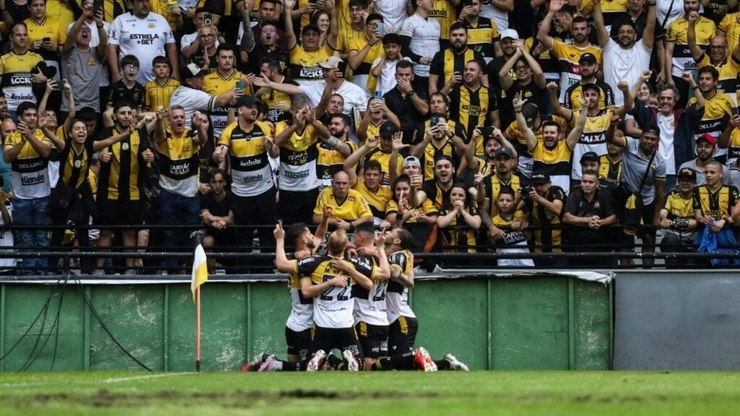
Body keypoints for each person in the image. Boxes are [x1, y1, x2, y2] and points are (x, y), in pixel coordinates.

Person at [242, 209, 331, 372]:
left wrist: (325, 218)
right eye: (309, 234)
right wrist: (279, 239)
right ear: (304, 239)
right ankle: (272, 363)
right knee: (313, 368)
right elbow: (281, 265)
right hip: (305, 324)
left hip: (294, 323)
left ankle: (270, 361)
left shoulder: (307, 255)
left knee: (294, 367)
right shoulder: (302, 260)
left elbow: (320, 235)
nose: (313, 236)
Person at [285, 228, 374, 371]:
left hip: (322, 326)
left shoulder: (316, 264)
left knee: (312, 366)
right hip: (345, 325)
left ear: (327, 245)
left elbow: (306, 291)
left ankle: (322, 358)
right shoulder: (352, 265)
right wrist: (349, 270)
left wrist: (328, 283)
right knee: (360, 365)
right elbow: (369, 285)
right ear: (345, 246)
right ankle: (348, 358)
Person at [213, 95, 279, 272]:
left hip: (265, 191)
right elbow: (221, 150)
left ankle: (266, 271)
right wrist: (217, 155)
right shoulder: (230, 131)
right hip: (242, 194)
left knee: (267, 233)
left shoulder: (263, 127)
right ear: (240, 111)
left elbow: (274, 153)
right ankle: (243, 272)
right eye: (250, 107)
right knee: (243, 235)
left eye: (255, 107)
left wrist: (271, 147)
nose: (254, 110)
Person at [92, 101, 156, 275]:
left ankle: (130, 269)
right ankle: (98, 269)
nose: (126, 116)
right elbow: (99, 150)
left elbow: (145, 152)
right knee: (106, 232)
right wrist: (101, 156)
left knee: (129, 232)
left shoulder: (139, 133)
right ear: (114, 116)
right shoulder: (106, 132)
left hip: (133, 193)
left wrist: (147, 156)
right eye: (122, 113)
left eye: (129, 113)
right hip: (109, 193)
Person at [153, 106, 208, 274]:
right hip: (168, 194)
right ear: (170, 120)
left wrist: (198, 126)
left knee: (192, 234)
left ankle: (192, 268)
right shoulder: (164, 133)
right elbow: (159, 137)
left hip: (190, 195)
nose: (179, 120)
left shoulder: (191, 133)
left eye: (181, 117)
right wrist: (159, 120)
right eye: (175, 117)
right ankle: (172, 270)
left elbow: (203, 140)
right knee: (170, 235)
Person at [3, 101, 52, 275]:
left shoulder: (43, 133)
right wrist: (22, 140)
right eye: (28, 115)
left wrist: (29, 136)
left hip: (42, 197)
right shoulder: (11, 137)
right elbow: (8, 157)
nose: (32, 118)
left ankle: (42, 274)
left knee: (41, 238)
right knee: (25, 239)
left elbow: (46, 152)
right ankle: (29, 275)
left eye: (34, 115)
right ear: (20, 118)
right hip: (21, 198)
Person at [274, 95, 331, 226]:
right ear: (291, 111)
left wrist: (313, 120)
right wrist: (295, 126)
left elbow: (327, 135)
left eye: (304, 112)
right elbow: (277, 142)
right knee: (289, 225)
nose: (301, 115)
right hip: (287, 187)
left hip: (309, 187)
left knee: (308, 225)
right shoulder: (283, 125)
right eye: (298, 112)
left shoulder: (312, 125)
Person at [592, 0, 657, 107]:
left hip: (638, 107)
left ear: (636, 35)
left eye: (629, 32)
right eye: (622, 32)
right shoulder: (609, 48)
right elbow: (599, 26)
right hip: (612, 107)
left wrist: (653, 4)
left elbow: (650, 26)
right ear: (617, 35)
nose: (625, 35)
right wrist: (596, 4)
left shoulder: (643, 48)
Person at [537, 0, 603, 104]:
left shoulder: (598, 52)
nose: (579, 32)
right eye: (576, 29)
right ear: (571, 31)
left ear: (588, 30)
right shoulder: (563, 48)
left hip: (591, 104)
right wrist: (551, 11)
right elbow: (541, 36)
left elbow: (603, 77)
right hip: (566, 102)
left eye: (582, 29)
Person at [107, 0, 179, 85]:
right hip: (128, 81)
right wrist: (115, 73)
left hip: (159, 81)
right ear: (132, 3)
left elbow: (171, 46)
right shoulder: (120, 20)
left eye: (147, 1)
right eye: (140, 1)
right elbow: (110, 48)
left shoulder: (161, 20)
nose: (145, 4)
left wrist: (175, 70)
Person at [663, 0, 716, 108]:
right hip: (679, 75)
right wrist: (669, 78)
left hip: (702, 76)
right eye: (687, 3)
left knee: (700, 108)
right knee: (679, 109)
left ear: (699, 4)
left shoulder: (710, 24)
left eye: (693, 2)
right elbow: (668, 52)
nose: (690, 6)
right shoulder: (674, 25)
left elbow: (714, 51)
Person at [563, 170, 617, 267]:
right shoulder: (574, 195)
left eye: (590, 182)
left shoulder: (603, 196)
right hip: (578, 245)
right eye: (584, 181)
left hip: (600, 245)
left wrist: (600, 222)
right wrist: (588, 220)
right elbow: (566, 217)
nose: (587, 185)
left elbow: (613, 217)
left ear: (597, 184)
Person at [62, 2, 107, 113]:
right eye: (81, 30)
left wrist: (99, 24)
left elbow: (104, 43)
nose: (85, 32)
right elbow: (71, 35)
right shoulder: (67, 52)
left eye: (88, 31)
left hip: (92, 107)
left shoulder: (96, 53)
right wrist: (84, 16)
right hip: (70, 107)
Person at [429, 22, 488, 97]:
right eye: (454, 35)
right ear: (449, 37)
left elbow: (485, 83)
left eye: (461, 35)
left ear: (467, 36)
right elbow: (432, 85)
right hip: (446, 102)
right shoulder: (439, 56)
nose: (457, 38)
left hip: (471, 103)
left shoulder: (477, 56)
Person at [524, 172, 567, 267]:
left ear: (549, 184)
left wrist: (538, 198)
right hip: (538, 252)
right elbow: (514, 210)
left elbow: (557, 209)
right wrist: (517, 200)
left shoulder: (556, 191)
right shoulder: (530, 194)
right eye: (536, 185)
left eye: (542, 184)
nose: (538, 188)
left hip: (558, 252)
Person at [0, 22, 43, 116]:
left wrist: (44, 79)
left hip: (31, 112)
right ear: (11, 38)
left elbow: (48, 83)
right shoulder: (3, 59)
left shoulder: (37, 58)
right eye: (18, 35)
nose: (22, 37)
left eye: (25, 34)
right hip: (9, 111)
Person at [399, 0, 440, 97]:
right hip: (418, 72)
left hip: (435, 73)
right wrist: (419, 59)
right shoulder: (409, 22)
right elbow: (403, 48)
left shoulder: (435, 22)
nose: (432, 1)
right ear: (419, 2)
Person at [659, 167, 699, 266]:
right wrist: (664, 219)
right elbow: (663, 212)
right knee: (669, 240)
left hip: (693, 235)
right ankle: (672, 272)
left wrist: (696, 222)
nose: (685, 183)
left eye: (688, 181)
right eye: (682, 180)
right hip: (674, 234)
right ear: (678, 182)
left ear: (694, 183)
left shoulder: (699, 197)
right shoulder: (670, 195)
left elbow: (703, 215)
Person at [199, 169, 235, 273]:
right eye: (214, 182)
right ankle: (212, 275)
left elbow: (231, 219)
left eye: (220, 181)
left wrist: (214, 218)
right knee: (207, 241)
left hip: (231, 235)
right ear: (209, 183)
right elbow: (205, 217)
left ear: (225, 182)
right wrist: (214, 224)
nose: (217, 185)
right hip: (213, 233)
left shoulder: (231, 196)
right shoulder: (206, 198)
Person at [694, 160, 740, 236]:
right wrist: (702, 219)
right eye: (706, 172)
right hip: (705, 230)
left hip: (726, 230)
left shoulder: (732, 190)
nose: (708, 175)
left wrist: (723, 220)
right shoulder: (697, 190)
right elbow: (697, 215)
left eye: (712, 172)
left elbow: (735, 217)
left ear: (721, 174)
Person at [490, 186, 534, 267]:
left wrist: (522, 225)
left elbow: (529, 237)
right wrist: (495, 236)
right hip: (504, 257)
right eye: (501, 200)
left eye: (508, 200)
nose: (505, 203)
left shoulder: (521, 215)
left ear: (514, 202)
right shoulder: (493, 221)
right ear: (496, 202)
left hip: (524, 256)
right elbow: (492, 244)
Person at [436, 183, 481, 254]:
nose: (457, 197)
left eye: (461, 195)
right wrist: (455, 210)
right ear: (449, 196)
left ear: (466, 197)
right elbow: (441, 224)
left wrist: (462, 211)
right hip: (450, 252)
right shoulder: (445, 209)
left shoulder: (471, 208)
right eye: (453, 195)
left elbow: (476, 225)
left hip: (471, 252)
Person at [458, 0, 502, 64]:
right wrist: (461, 16)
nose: (472, 7)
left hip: (488, 64)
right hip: (466, 65)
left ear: (480, 5)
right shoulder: (460, 22)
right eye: (469, 4)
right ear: (464, 6)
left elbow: (498, 51)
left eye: (475, 4)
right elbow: (456, 39)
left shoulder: (490, 23)